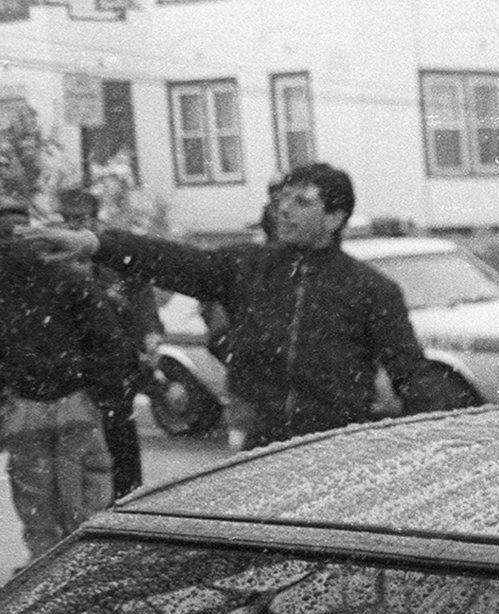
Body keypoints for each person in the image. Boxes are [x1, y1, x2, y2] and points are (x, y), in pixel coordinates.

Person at [24, 162, 446, 448]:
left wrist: (441, 442)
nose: (284, 209)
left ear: (335, 218)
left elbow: (411, 375)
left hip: (333, 445)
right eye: (283, 198)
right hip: (260, 443)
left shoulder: (371, 289)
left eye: (302, 201)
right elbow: (173, 260)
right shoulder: (247, 267)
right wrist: (98, 244)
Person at [0, 186, 127, 553]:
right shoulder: (67, 276)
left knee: (37, 507)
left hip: (24, 405)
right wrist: (101, 395)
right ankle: (82, 570)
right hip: (74, 401)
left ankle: (47, 576)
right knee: (87, 505)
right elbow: (106, 340)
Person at [52, 183, 158, 497]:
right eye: (68, 218)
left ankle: (126, 505)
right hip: (77, 374)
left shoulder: (113, 261)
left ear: (96, 220)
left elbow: (142, 303)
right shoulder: (55, 262)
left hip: (115, 373)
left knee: (121, 451)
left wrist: (149, 336)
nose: (74, 225)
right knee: (81, 465)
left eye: (81, 218)